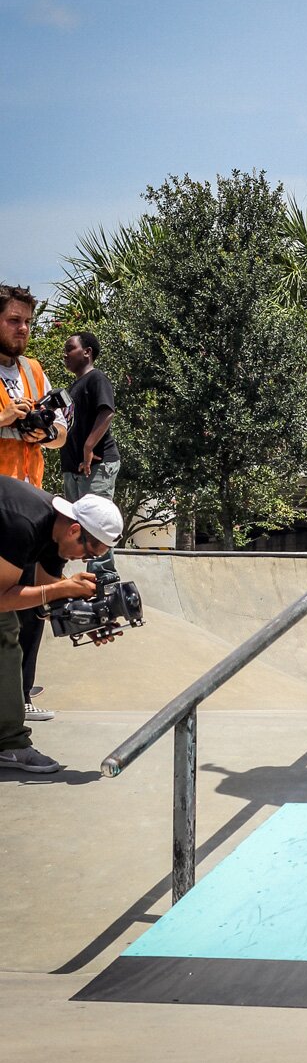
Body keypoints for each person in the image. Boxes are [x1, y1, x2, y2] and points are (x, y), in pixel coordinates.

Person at [0, 476, 123, 773]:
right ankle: (10, 744)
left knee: (13, 627)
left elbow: (45, 600)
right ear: (75, 530)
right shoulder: (24, 523)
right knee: (5, 632)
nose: (83, 561)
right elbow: (2, 600)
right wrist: (65, 588)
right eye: (89, 553)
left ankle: (8, 741)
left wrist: (87, 621)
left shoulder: (56, 536)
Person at [0, 284, 70, 723]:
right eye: (13, 321)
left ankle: (22, 695)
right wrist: (7, 417)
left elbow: (62, 431)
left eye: (27, 321)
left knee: (32, 609)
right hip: (1, 509)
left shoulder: (33, 369)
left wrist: (43, 431)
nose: (22, 329)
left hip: (34, 505)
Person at [60, 331, 120, 507]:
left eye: (70, 348)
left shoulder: (97, 378)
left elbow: (107, 411)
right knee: (76, 526)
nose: (65, 354)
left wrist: (88, 447)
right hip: (74, 470)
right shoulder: (74, 387)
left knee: (93, 523)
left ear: (87, 352)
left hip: (96, 465)